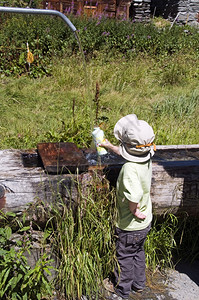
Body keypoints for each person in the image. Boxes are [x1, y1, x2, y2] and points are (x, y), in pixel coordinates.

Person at [101, 114, 155, 299]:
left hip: (130, 225)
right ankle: (139, 284)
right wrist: (109, 146)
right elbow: (130, 153)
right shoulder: (145, 157)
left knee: (123, 256)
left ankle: (121, 289)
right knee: (138, 252)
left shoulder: (128, 169)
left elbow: (134, 195)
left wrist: (134, 210)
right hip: (145, 223)